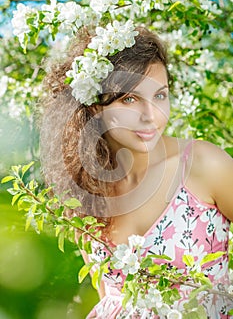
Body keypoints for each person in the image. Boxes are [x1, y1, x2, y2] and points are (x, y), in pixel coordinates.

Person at [40, 27, 233, 318]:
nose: (151, 115)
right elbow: (106, 294)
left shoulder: (202, 165)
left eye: (159, 95)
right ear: (94, 105)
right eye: (129, 99)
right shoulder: (83, 193)